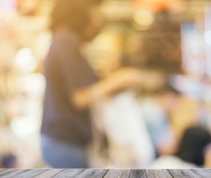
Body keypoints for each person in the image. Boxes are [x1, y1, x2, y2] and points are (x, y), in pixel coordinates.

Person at [40, 0, 141, 168]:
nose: (98, 16)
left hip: (63, 141)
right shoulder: (66, 41)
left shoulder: (64, 40)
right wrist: (119, 79)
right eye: (96, 10)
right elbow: (80, 98)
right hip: (66, 142)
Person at [139, 83, 180, 159]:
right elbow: (162, 149)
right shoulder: (154, 115)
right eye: (176, 101)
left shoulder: (154, 108)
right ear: (169, 97)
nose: (177, 106)